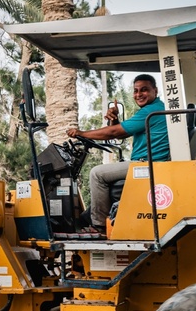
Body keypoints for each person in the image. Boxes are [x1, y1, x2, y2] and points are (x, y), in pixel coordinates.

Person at [67, 73, 170, 233]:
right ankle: (104, 218)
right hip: (148, 163)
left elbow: (113, 133)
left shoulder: (151, 111)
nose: (138, 94)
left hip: (148, 164)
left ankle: (99, 225)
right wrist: (114, 118)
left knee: (97, 174)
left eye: (144, 90)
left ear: (155, 91)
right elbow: (121, 133)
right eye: (136, 91)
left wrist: (81, 133)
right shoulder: (155, 109)